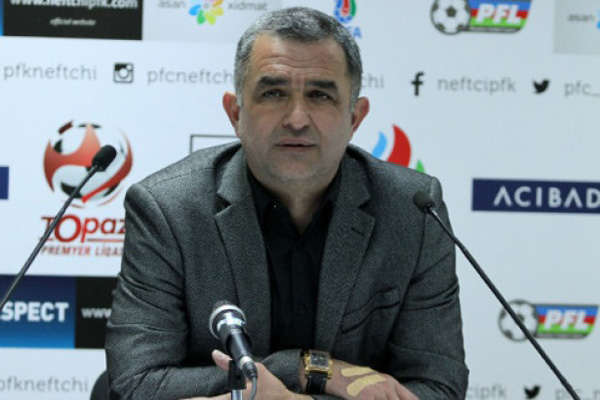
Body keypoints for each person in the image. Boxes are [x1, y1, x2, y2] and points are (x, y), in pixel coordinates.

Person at [106, 7, 468, 400]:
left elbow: (438, 387)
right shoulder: (167, 209)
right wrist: (309, 368)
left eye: (319, 95)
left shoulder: (412, 211)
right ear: (235, 113)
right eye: (273, 93)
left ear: (355, 118)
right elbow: (136, 384)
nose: (297, 118)